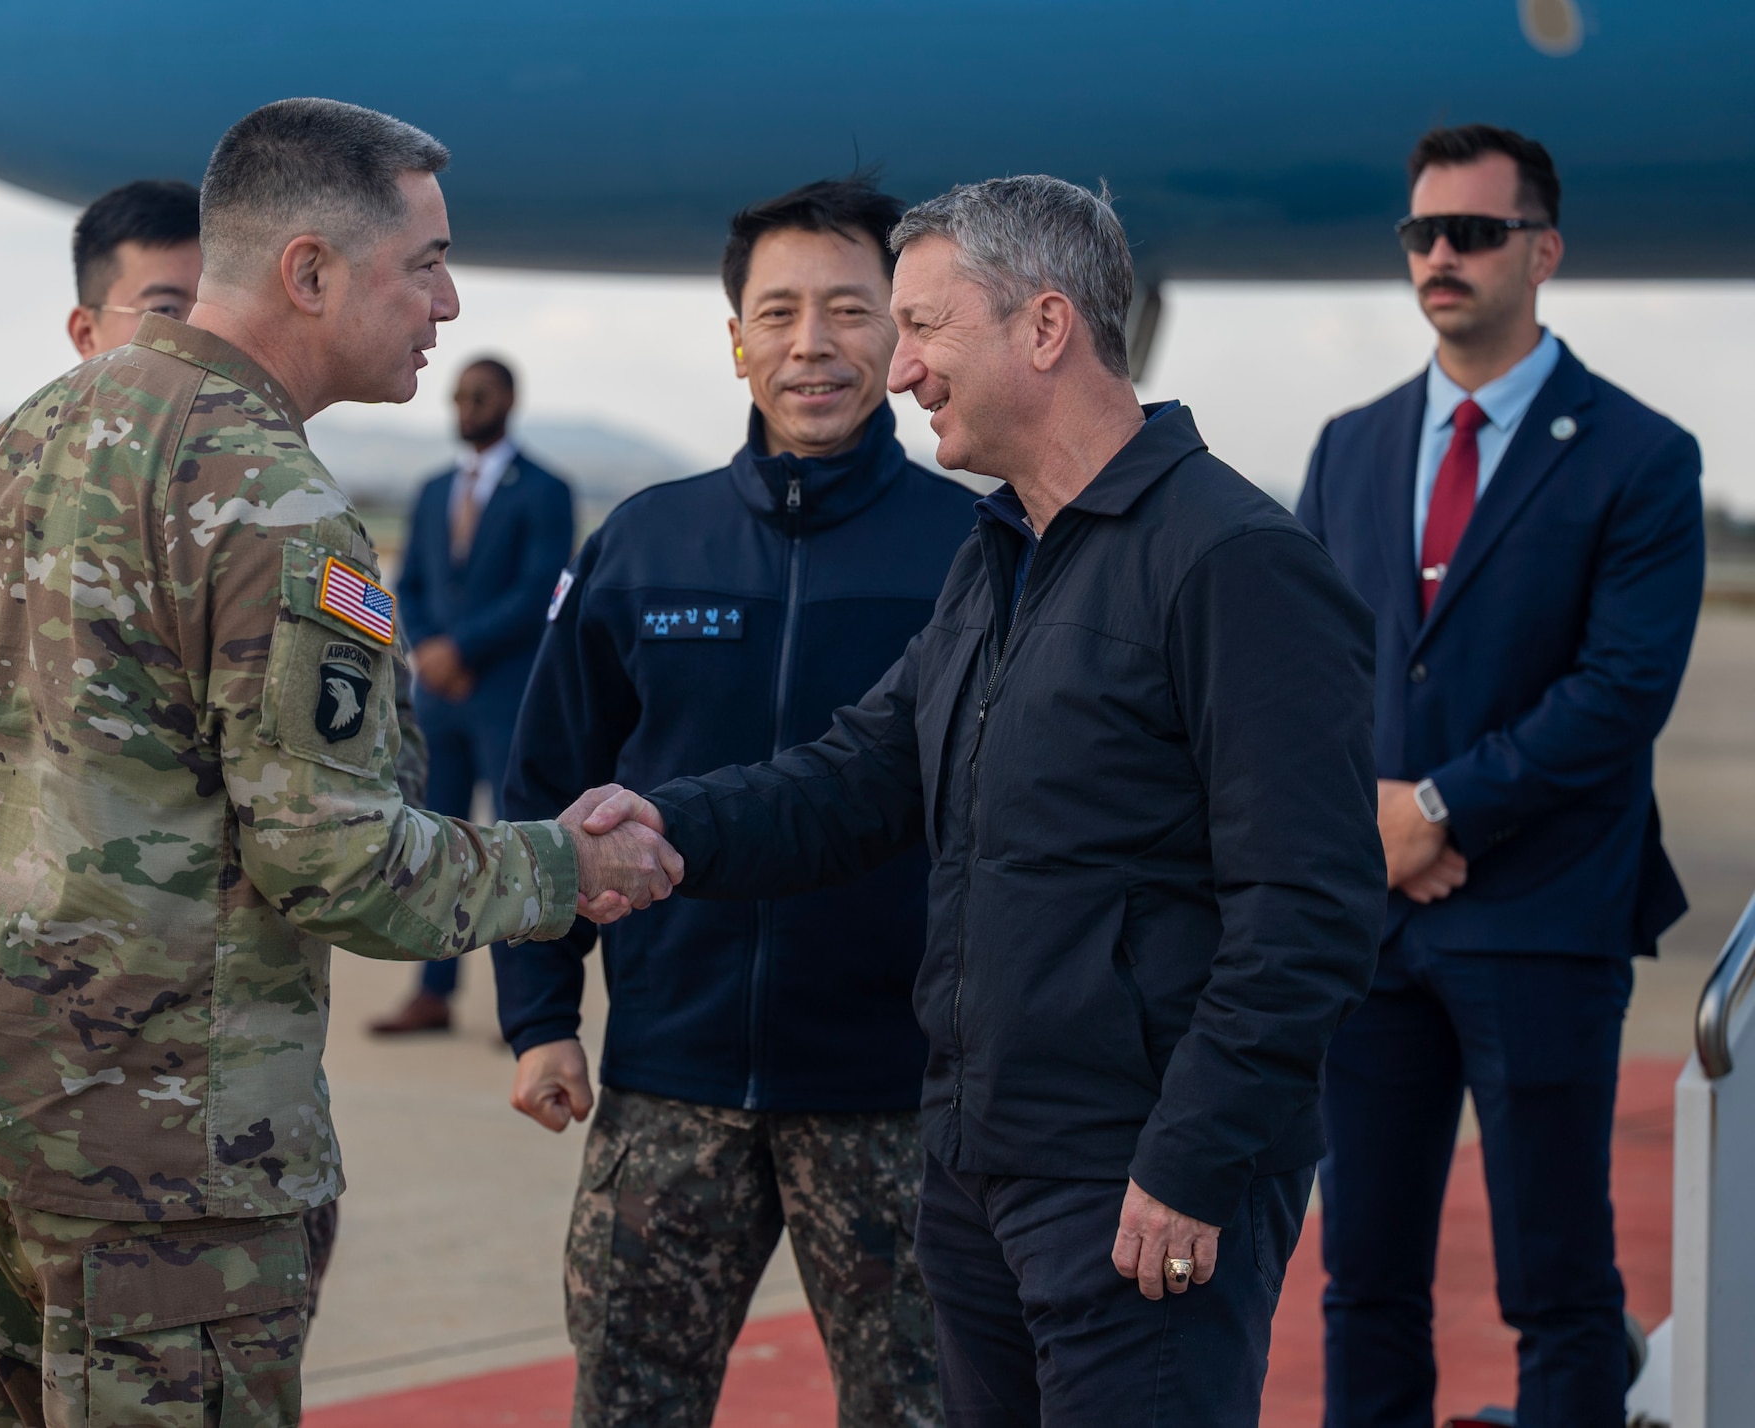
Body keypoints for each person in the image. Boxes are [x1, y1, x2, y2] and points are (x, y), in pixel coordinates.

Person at [0, 98, 679, 1428]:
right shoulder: (271, 502)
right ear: (311, 271)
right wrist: (570, 865)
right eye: (424, 263)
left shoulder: (29, 435)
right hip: (164, 1163)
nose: (448, 303)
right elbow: (340, 863)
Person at [573, 175, 1385, 1426]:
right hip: (976, 1168)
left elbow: (1309, 911)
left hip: (1133, 1185)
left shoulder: (1234, 564)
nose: (899, 369)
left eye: (923, 328)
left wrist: (1190, 1162)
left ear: (1044, 327)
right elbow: (854, 780)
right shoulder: (1001, 554)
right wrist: (662, 829)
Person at [498, 175, 970, 1426]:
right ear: (734, 340)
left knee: (925, 1409)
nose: (811, 344)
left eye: (849, 310)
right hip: (669, 1079)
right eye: (777, 312)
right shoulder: (641, 547)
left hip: (895, 1096)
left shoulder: (973, 555)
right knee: (629, 1403)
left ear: (901, 332)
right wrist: (540, 1015)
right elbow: (546, 793)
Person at [1296, 125, 1705, 1428]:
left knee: (1556, 1285)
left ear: (1543, 250)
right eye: (1422, 233)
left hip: (1540, 921)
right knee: (1364, 1280)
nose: (1440, 255)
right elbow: (1301, 676)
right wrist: (1367, 821)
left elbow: (1618, 693)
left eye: (1472, 233)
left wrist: (1435, 808)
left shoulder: (1640, 456)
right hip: (1372, 931)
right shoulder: (1349, 447)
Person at [0, 177, 210, 1428]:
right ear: (85, 330)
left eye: (209, 308)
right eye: (162, 308)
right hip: (24, 1063)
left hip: (198, 1084)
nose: (191, 340)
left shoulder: (253, 500)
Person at [371, 356, 574, 1034]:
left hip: (506, 695)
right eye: (457, 396)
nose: (465, 407)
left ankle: (529, 1002)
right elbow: (412, 583)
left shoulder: (546, 490)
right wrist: (429, 648)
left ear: (509, 399)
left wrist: (462, 650)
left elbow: (539, 588)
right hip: (439, 699)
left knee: (521, 839)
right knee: (435, 842)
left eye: (478, 396)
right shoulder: (433, 490)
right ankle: (433, 993)